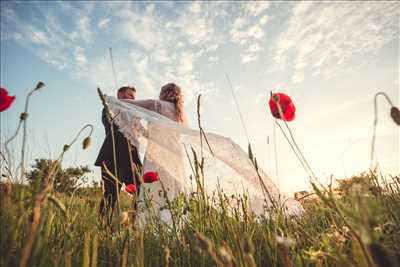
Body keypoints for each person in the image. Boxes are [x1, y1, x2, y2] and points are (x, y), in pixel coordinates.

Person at [95, 86, 142, 221]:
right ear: (120, 95)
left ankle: (134, 224)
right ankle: (104, 227)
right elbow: (109, 125)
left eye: (134, 97)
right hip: (112, 158)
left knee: (141, 193)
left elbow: (138, 133)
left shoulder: (134, 115)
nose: (133, 99)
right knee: (110, 194)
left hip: (132, 161)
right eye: (130, 96)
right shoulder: (109, 108)